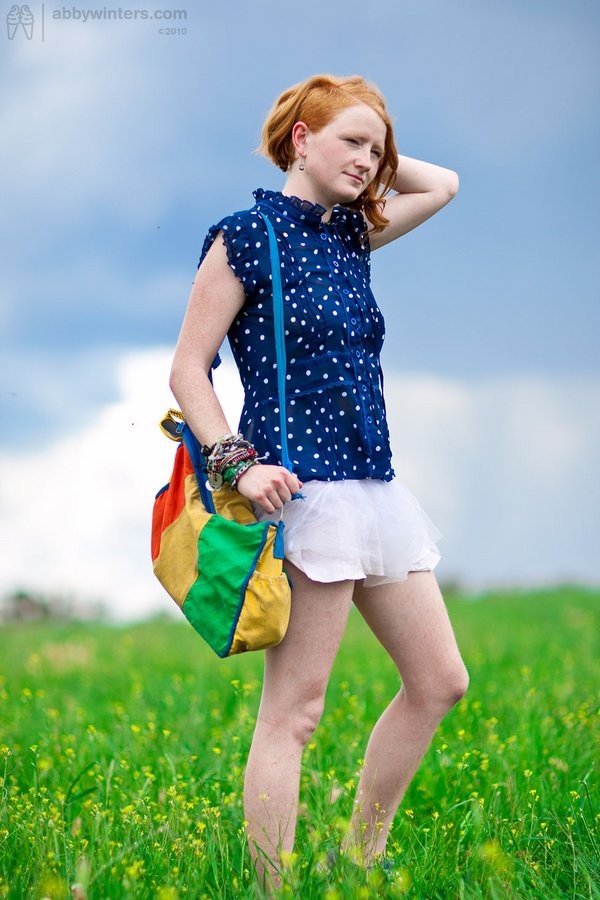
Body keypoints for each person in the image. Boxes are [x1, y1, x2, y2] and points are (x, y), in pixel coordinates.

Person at [169, 73, 469, 889]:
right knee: (295, 715)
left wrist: (374, 156)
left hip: (376, 487)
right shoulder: (244, 237)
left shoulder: (349, 235)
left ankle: (358, 860)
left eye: (379, 152)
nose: (371, 163)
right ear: (300, 140)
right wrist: (240, 459)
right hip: (302, 495)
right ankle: (272, 886)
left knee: (441, 682)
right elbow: (189, 370)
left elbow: (441, 184)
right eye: (351, 143)